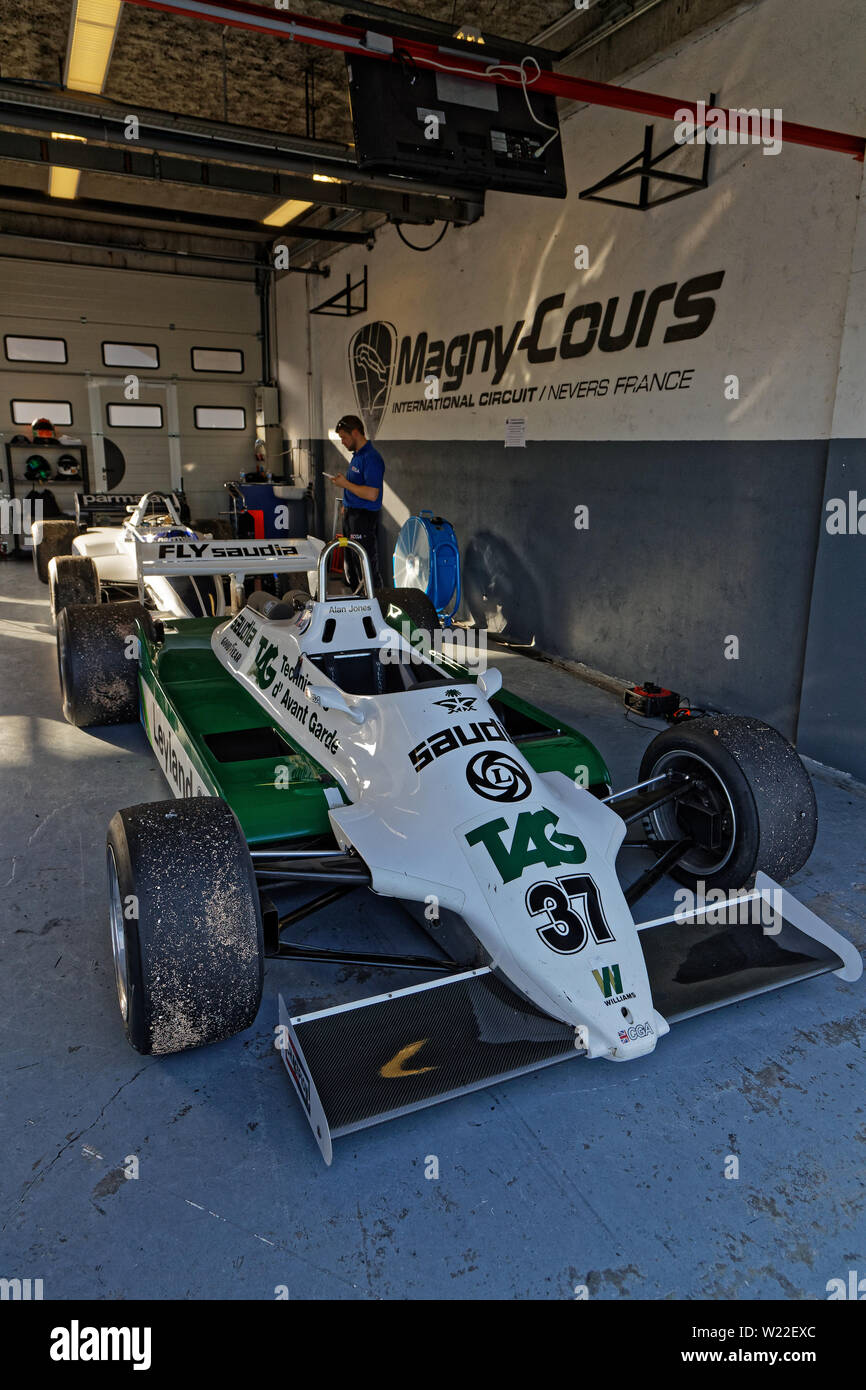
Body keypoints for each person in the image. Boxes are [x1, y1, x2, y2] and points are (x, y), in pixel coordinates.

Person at [330, 414, 384, 590]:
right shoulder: (357, 456)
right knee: (351, 564)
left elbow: (372, 494)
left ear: (355, 433)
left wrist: (345, 483)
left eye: (344, 437)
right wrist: (347, 504)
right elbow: (356, 487)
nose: (343, 442)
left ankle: (375, 604)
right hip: (351, 515)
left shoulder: (371, 458)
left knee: (364, 564)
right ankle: (355, 603)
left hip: (364, 518)